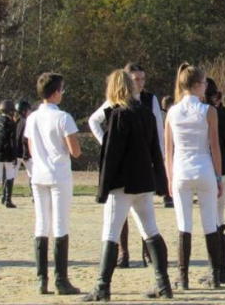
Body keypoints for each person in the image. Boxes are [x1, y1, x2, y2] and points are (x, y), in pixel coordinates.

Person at [83, 70, 172, 302]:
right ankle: (163, 283)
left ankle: (102, 287)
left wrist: (103, 189)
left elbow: (111, 157)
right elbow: (156, 150)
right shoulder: (146, 114)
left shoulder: (119, 116)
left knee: (110, 233)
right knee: (151, 230)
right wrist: (161, 183)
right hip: (144, 181)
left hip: (122, 183)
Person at [89, 63, 163, 268]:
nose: (139, 83)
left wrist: (160, 163)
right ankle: (128, 256)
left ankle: (104, 284)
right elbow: (93, 121)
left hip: (133, 170)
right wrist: (105, 141)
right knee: (138, 223)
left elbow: (158, 134)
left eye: (142, 79)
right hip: (134, 170)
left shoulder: (147, 102)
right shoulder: (114, 107)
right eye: (135, 79)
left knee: (120, 226)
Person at [166, 63, 224, 290]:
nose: (207, 87)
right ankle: (215, 274)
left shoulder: (172, 111)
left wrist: (169, 178)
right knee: (210, 222)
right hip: (204, 168)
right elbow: (215, 148)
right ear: (198, 85)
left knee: (184, 225)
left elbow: (167, 150)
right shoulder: (209, 111)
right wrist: (219, 177)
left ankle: (183, 276)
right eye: (205, 83)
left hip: (181, 170)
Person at [25, 72, 81, 295]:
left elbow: (30, 148)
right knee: (60, 224)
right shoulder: (63, 117)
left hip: (38, 175)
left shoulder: (32, 118)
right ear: (56, 92)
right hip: (59, 175)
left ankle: (42, 279)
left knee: (41, 224)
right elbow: (75, 151)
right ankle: (61, 279)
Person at [196, 77, 225, 285]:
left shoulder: (202, 114)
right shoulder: (224, 113)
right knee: (219, 215)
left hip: (209, 167)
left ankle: (217, 269)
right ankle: (223, 269)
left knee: (212, 216)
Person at [14, 101, 34, 200]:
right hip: (25, 153)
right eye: (29, 110)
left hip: (16, 153)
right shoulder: (27, 122)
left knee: (11, 175)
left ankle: (5, 197)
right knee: (33, 175)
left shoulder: (17, 121)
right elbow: (24, 139)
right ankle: (34, 196)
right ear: (25, 111)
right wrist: (26, 153)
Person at [160, 95, 175, 208]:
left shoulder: (159, 115)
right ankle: (169, 196)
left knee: (166, 172)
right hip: (170, 146)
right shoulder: (172, 115)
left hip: (162, 147)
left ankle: (167, 195)